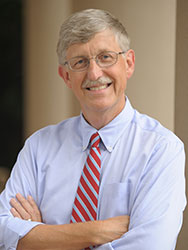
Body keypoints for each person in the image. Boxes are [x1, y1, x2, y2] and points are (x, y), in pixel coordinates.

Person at [0, 8, 186, 250]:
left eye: (105, 57)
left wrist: (44, 237)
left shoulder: (161, 149)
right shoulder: (39, 147)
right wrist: (96, 232)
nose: (94, 73)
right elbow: (4, 231)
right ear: (65, 76)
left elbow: (150, 245)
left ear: (128, 63)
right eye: (80, 62)